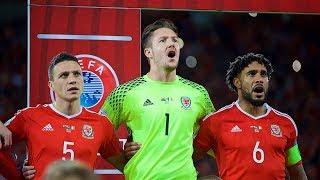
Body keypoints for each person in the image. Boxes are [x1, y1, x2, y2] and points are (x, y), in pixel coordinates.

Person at [99, 19, 215, 179]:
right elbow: (98, 133)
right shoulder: (125, 92)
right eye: (163, 40)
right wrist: (124, 162)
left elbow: (217, 137)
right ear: (149, 52)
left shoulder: (198, 93)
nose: (172, 44)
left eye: (175, 40)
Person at [0, 53, 126, 180]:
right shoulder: (29, 117)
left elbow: (126, 166)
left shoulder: (101, 124)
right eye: (64, 75)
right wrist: (15, 176)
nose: (72, 80)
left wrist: (135, 151)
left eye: (77, 74)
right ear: (51, 85)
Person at [193, 53, 308, 179]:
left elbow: (297, 171)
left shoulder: (286, 123)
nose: (259, 79)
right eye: (252, 74)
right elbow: (185, 160)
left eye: (263, 74)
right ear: (237, 82)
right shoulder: (215, 122)